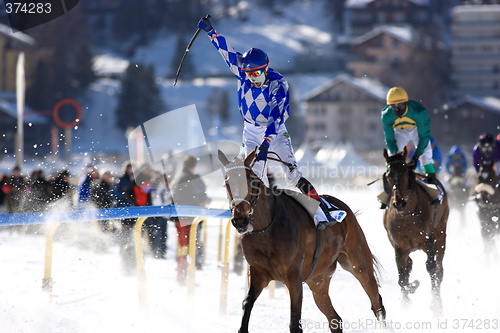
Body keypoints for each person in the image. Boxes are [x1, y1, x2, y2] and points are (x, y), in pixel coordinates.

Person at [198, 16, 343, 229]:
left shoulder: (278, 84)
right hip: (250, 132)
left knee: (292, 175)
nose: (252, 78)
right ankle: (258, 221)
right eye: (248, 74)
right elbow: (226, 52)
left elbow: (276, 116)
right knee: (256, 177)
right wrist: (211, 32)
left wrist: (266, 142)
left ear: (266, 68)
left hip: (274, 132)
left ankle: (322, 211)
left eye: (256, 73)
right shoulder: (242, 73)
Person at [381, 87, 441, 206]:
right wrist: (394, 156)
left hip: (416, 129)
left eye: (400, 105)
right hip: (399, 130)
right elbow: (389, 138)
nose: (397, 109)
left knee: (426, 153)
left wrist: (416, 157)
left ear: (406, 102)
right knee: (392, 156)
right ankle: (387, 192)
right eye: (393, 106)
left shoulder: (419, 112)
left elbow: (424, 137)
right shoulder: (386, 115)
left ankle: (432, 184)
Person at [170, 155, 209, 284]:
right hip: (187, 216)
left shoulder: (179, 176)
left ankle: (182, 275)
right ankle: (183, 276)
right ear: (194, 165)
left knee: (185, 247)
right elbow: (192, 196)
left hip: (181, 216)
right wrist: (201, 202)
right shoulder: (188, 178)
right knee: (188, 247)